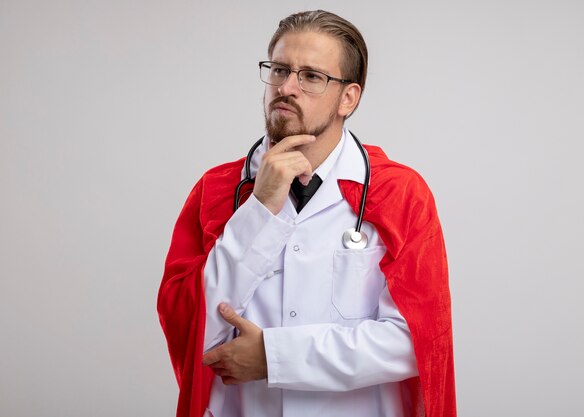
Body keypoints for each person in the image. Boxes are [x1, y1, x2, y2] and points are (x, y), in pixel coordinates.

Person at [158, 10, 456, 417]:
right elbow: (190, 329)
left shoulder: (401, 195)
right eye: (279, 70)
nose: (287, 87)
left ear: (348, 98)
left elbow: (415, 342)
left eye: (311, 77)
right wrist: (259, 209)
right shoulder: (217, 190)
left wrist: (274, 357)